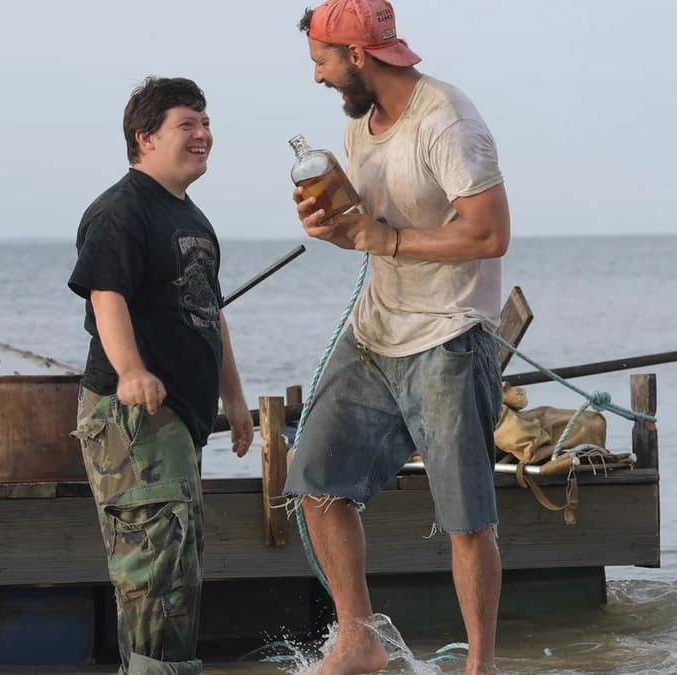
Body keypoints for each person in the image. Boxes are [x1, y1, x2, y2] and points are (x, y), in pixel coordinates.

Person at [284, 2, 511, 673]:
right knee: (315, 480)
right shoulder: (359, 125)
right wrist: (337, 220)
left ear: (357, 55)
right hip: (375, 332)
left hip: (449, 338)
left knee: (467, 520)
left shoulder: (448, 120)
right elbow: (370, 221)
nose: (317, 78)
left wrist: (389, 239)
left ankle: (480, 666)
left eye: (321, 61)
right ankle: (358, 640)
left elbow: (490, 233)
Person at [68, 76, 254, 675]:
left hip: (181, 418)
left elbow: (209, 315)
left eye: (205, 122)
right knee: (154, 568)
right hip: (133, 418)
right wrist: (130, 371)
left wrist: (236, 400)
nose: (203, 134)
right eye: (187, 124)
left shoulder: (191, 217)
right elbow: (106, 295)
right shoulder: (122, 210)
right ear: (145, 137)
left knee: (179, 564)